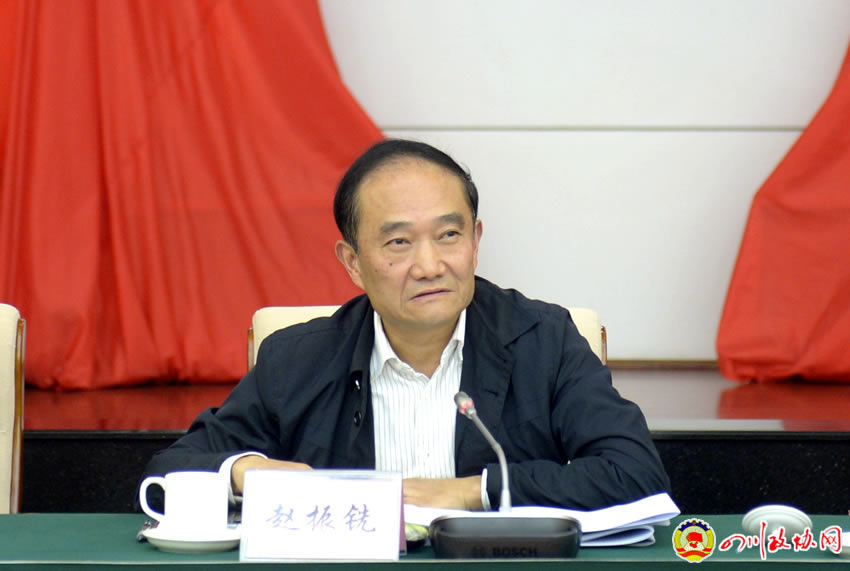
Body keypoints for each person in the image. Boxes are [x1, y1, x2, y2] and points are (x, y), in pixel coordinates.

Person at [141, 139, 670, 511]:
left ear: (476, 240)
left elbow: (636, 473)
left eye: (448, 236)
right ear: (353, 263)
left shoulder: (544, 341)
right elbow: (170, 471)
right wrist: (246, 472)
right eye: (398, 242)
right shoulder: (298, 359)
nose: (429, 265)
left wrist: (471, 491)